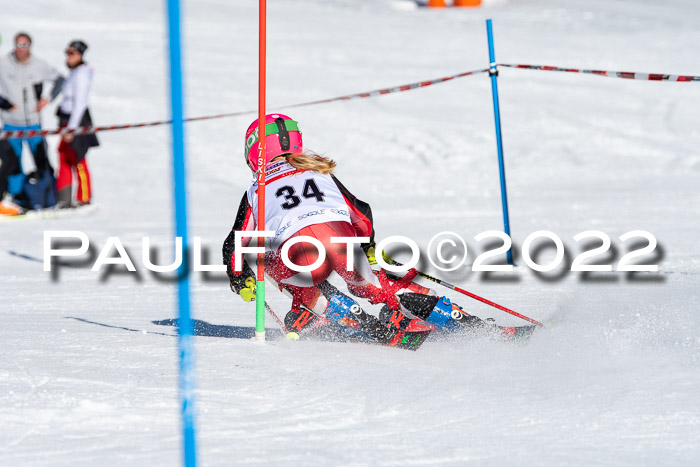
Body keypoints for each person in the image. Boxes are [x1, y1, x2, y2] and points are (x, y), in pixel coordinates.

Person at [222, 114, 523, 346]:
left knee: (265, 257)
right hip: (340, 239)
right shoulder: (318, 170)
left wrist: (241, 279)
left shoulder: (255, 190)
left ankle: (317, 306)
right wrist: (368, 245)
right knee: (377, 284)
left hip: (298, 254)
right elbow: (361, 210)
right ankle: (445, 319)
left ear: (254, 152)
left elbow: (234, 244)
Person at [0, 32, 64, 202]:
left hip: (33, 124)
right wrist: (3, 103)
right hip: (10, 124)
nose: (21, 49)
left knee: (42, 160)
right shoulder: (3, 64)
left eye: (24, 45)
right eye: (18, 45)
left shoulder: (39, 65)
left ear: (30, 46)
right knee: (12, 163)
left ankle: (49, 195)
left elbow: (60, 80)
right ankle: (16, 197)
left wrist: (47, 99)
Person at [55, 40, 99, 207]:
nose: (68, 56)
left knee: (78, 158)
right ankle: (64, 198)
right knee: (64, 156)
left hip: (76, 121)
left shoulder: (81, 74)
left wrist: (71, 129)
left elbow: (80, 103)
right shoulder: (74, 72)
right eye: (67, 52)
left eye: (72, 53)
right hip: (66, 120)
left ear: (80, 55)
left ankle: (84, 198)